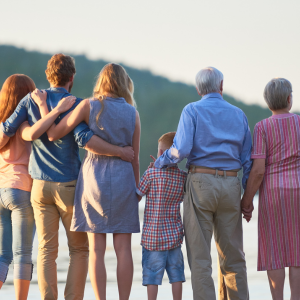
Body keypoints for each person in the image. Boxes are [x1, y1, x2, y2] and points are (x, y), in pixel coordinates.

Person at [1, 56, 135, 300]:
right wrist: (120, 152)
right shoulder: (76, 103)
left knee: (46, 250)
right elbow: (85, 139)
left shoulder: (31, 99)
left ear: (47, 74)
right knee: (79, 250)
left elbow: (8, 128)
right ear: (72, 78)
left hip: (39, 186)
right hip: (69, 186)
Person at [154, 67, 252, 300]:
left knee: (200, 259)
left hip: (200, 182)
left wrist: (161, 162)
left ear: (198, 89)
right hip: (231, 183)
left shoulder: (191, 110)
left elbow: (181, 150)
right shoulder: (239, 114)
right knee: (234, 257)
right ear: (221, 86)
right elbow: (247, 160)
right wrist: (247, 197)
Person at [0, 74, 76, 300]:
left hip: (1, 192)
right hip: (22, 191)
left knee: (3, 256)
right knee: (22, 254)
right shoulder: (25, 124)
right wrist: (54, 109)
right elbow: (38, 134)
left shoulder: (4, 125)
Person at [241, 78, 300, 300]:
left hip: (273, 194)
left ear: (267, 102)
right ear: (289, 99)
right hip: (298, 191)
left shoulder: (262, 127)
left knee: (274, 250)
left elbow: (257, 171)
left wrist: (246, 203)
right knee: (297, 250)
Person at [136, 132, 186, 300]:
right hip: (174, 236)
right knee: (177, 274)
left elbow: (138, 194)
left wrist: (151, 169)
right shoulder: (182, 178)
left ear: (160, 154)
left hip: (153, 237)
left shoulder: (151, 174)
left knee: (152, 276)